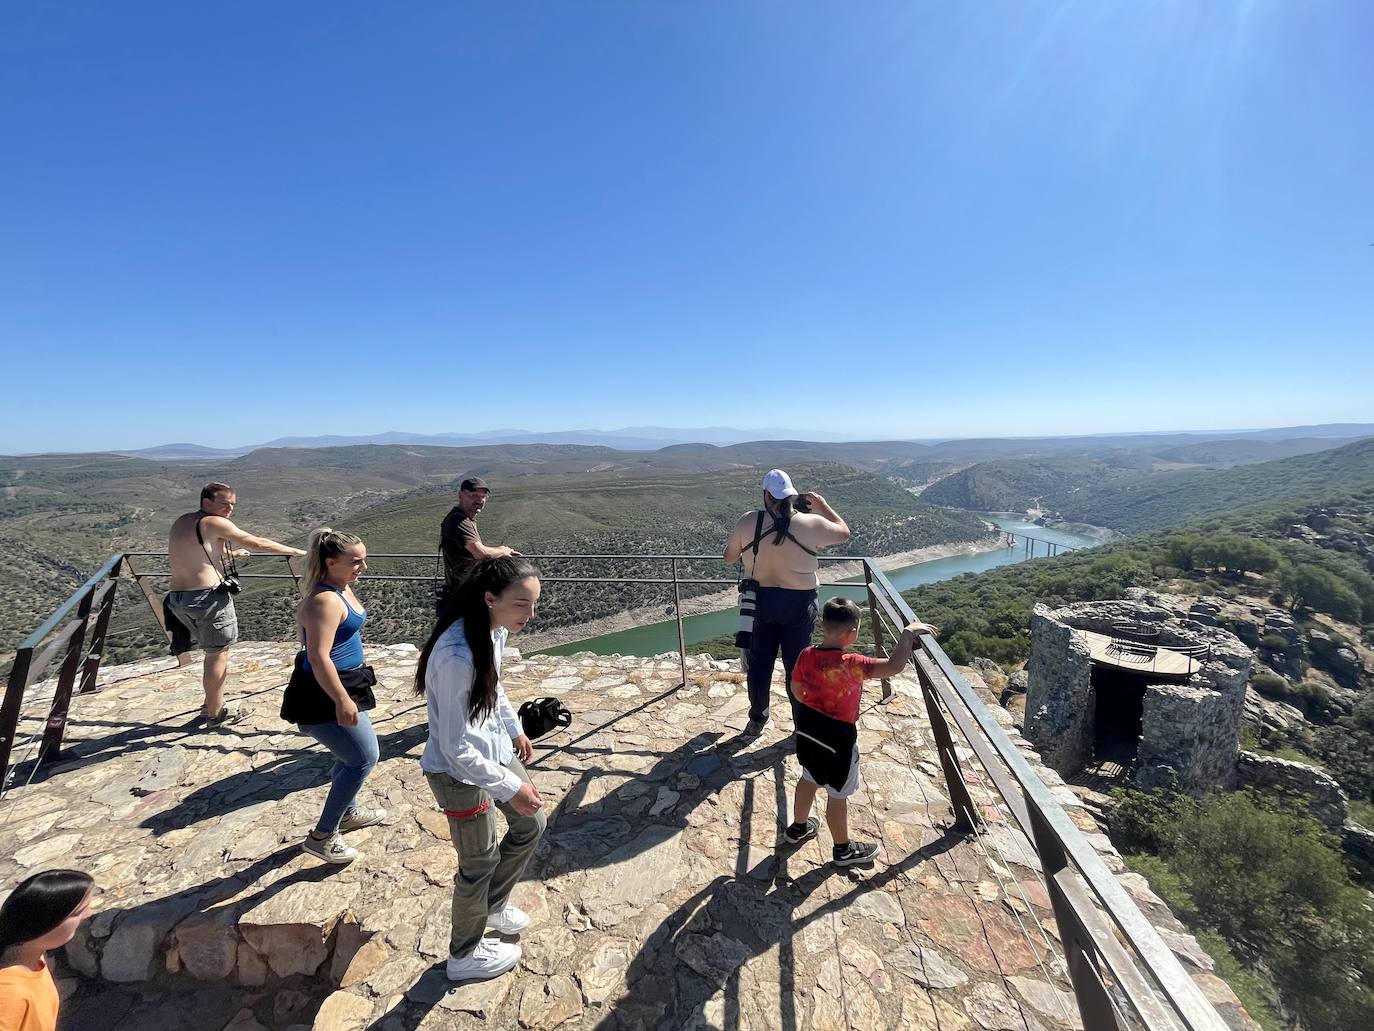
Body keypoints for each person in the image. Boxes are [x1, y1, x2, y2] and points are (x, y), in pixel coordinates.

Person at [416, 557, 544, 982]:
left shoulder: (493, 630)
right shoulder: (455, 655)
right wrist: (509, 786)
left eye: (534, 605)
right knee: (478, 864)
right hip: (459, 774)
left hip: (490, 749)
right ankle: (463, 955)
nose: (530, 615)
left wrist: (513, 728)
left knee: (531, 825)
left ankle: (493, 906)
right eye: (521, 605)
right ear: (490, 599)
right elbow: (454, 748)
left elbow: (495, 683)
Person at [783, 598, 937, 866]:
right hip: (839, 740)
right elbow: (894, 666)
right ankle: (842, 850)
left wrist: (812, 703)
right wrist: (907, 635)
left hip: (808, 731)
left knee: (808, 779)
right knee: (837, 794)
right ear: (852, 633)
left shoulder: (806, 654)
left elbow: (796, 688)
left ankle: (798, 828)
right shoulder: (853, 662)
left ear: (823, 625)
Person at [283, 528, 385, 864]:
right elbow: (318, 656)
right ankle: (322, 836)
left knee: (351, 756)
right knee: (362, 758)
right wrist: (342, 700)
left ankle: (348, 812)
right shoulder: (326, 600)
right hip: (326, 691)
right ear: (330, 562)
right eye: (355, 561)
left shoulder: (340, 589)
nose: (363, 566)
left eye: (364, 559)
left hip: (347, 683)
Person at [723, 469, 851, 736]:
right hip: (798, 605)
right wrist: (823, 505)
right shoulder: (811, 523)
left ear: (765, 496)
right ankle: (801, 724)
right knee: (797, 667)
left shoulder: (748, 521)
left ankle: (758, 717)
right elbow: (843, 533)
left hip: (760, 603)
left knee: (759, 665)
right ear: (792, 495)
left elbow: (729, 557)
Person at [166, 482, 306, 725]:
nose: (229, 509)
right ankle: (215, 712)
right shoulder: (214, 522)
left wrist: (231, 555)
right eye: (224, 504)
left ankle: (211, 701)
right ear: (206, 502)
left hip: (178, 598)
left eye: (232, 504)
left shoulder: (183, 521)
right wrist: (295, 551)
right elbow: (255, 542)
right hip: (207, 597)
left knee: (212, 652)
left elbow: (197, 551)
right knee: (217, 654)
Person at [0, 869, 95, 1031]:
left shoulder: (34, 959)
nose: (88, 915)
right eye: (78, 912)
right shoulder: (9, 995)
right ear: (45, 924)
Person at [437, 477, 521, 613]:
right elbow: (480, 553)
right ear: (460, 495)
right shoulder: (459, 520)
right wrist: (503, 551)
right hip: (464, 593)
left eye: (483, 496)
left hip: (467, 591)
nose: (480, 500)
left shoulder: (466, 520)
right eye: (474, 495)